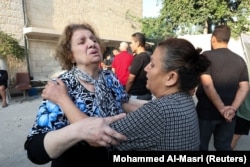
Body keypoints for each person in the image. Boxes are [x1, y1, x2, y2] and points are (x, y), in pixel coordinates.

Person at [42, 37, 211, 151]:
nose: (146, 69)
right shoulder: (184, 100)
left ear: (171, 77)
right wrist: (119, 101)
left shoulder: (160, 111)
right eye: (81, 41)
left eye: (152, 64)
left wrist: (62, 99)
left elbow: (96, 135)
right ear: (70, 55)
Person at [24, 22, 136, 166]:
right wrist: (78, 131)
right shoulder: (62, 85)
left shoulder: (109, 77)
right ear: (71, 56)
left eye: (94, 40)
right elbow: (35, 150)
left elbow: (122, 103)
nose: (91, 44)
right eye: (82, 42)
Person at [196, 25, 249, 151]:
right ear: (228, 39)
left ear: (213, 39)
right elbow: (245, 87)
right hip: (229, 115)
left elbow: (207, 84)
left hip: (206, 113)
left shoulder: (206, 56)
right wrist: (232, 109)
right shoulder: (240, 60)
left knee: (200, 146)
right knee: (224, 147)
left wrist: (221, 108)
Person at [126, 32, 151, 100]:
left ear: (137, 43)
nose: (130, 45)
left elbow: (131, 79)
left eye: (131, 43)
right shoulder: (148, 56)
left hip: (137, 95)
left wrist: (125, 93)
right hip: (147, 93)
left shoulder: (139, 58)